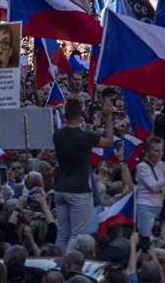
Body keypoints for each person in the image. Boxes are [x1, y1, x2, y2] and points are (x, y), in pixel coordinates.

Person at [53, 97, 115, 252]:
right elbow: (108, 141)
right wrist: (108, 116)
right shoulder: (86, 137)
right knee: (76, 235)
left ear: (65, 114)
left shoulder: (57, 135)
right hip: (78, 191)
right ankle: (68, 268)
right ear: (81, 114)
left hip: (60, 188)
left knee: (62, 235)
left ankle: (57, 266)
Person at [135, 136, 165, 238]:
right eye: (156, 150)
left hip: (159, 206)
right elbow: (154, 187)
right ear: (147, 152)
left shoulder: (161, 164)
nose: (160, 153)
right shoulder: (142, 167)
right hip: (145, 206)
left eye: (161, 150)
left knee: (157, 237)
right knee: (146, 237)